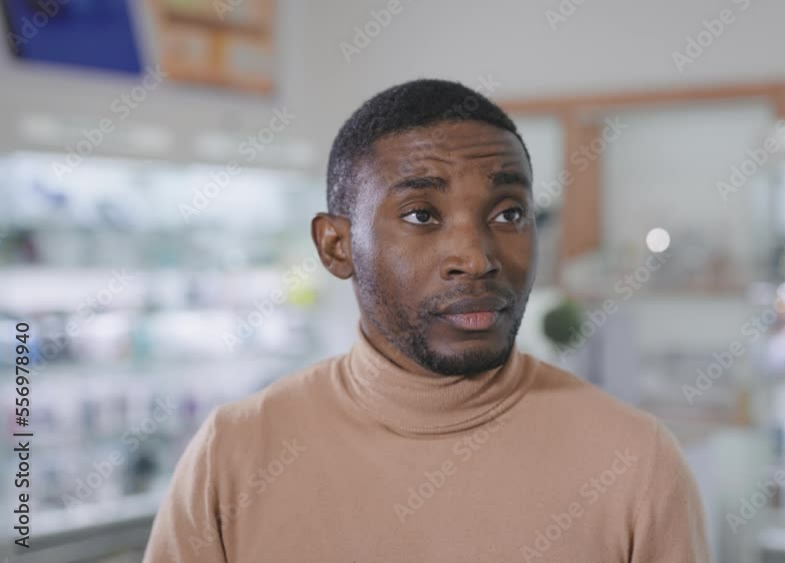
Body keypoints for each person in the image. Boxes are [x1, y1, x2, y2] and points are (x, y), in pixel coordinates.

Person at [143, 79, 710, 563]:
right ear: (337, 246)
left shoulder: (636, 462)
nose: (477, 257)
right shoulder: (235, 454)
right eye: (421, 214)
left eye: (509, 213)